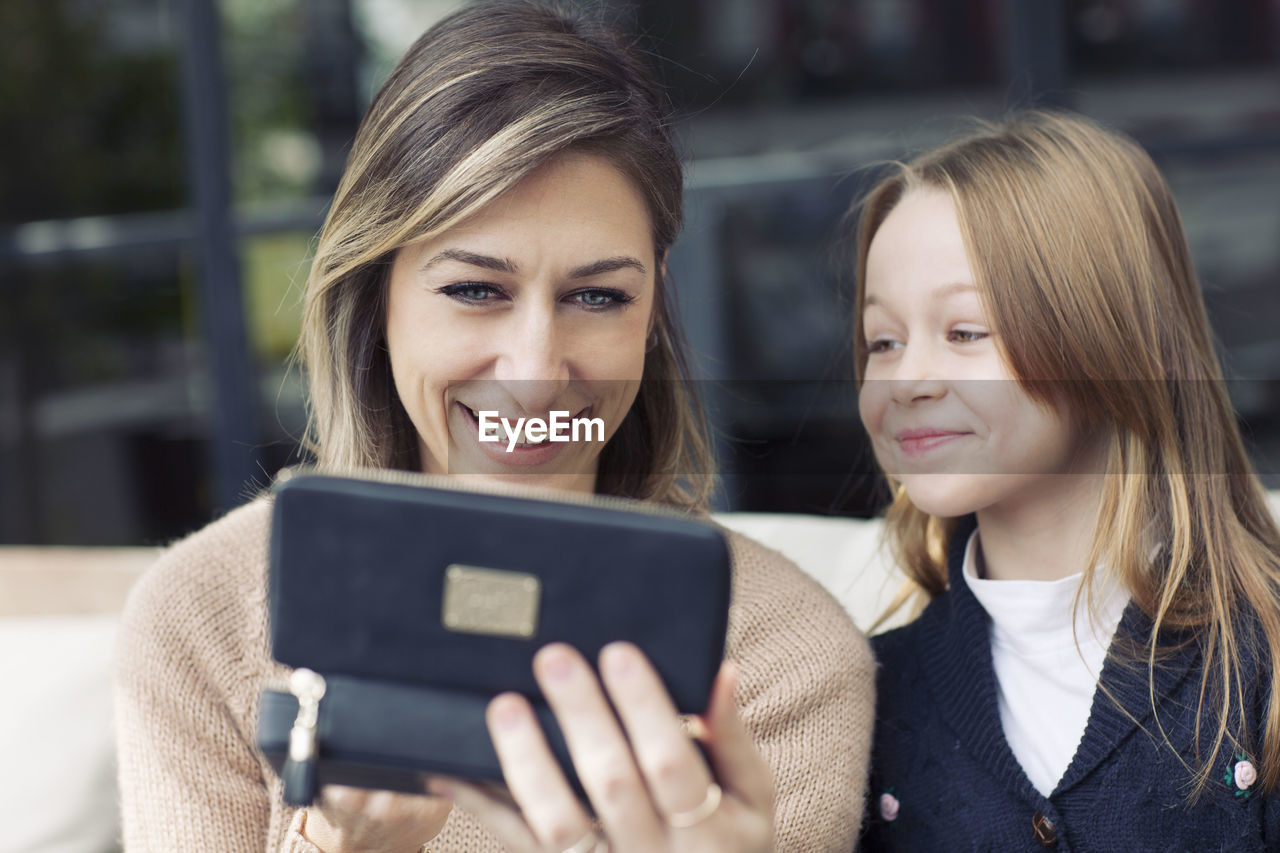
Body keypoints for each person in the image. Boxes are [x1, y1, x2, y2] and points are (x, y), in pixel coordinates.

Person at [113, 2, 875, 852]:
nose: (537, 369)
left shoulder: (777, 661)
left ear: (654, 301)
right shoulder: (205, 621)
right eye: (476, 289)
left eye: (597, 296)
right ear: (378, 291)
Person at [852, 109, 1280, 850]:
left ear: (1102, 334)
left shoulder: (1262, 665)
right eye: (881, 341)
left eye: (964, 331)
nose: (907, 378)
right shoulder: (866, 696)